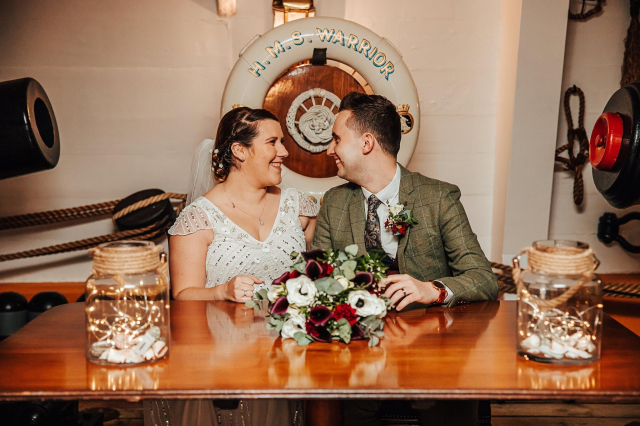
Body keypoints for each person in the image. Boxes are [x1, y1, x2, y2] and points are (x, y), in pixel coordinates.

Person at [312, 91, 499, 426]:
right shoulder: (334, 203)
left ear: (366, 143)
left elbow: (483, 277)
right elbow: (319, 283)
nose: (330, 150)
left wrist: (433, 290)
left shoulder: (438, 197)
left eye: (337, 139)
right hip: (355, 355)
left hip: (431, 350)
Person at [144, 107, 317, 426]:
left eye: (282, 142)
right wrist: (222, 290)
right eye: (273, 142)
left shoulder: (298, 205)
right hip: (226, 359)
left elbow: (321, 269)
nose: (284, 151)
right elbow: (183, 295)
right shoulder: (198, 219)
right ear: (240, 150)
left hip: (292, 354)